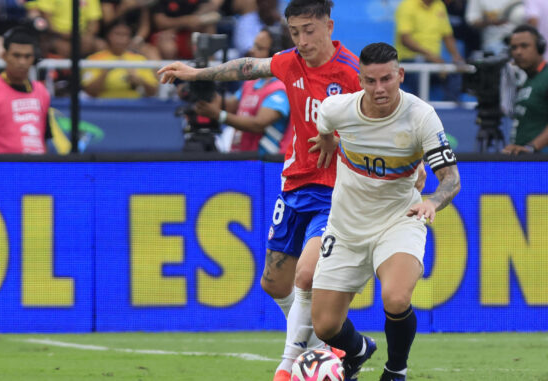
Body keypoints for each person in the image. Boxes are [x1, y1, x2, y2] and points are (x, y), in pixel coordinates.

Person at [159, 1, 362, 380]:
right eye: (295, 32)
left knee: (305, 276)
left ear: (329, 26)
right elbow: (248, 67)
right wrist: (196, 72)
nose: (302, 40)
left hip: (338, 190)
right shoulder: (290, 61)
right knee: (274, 282)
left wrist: (344, 143)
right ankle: (327, 350)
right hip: (296, 184)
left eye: (309, 30)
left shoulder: (351, 72)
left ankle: (286, 368)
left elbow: (383, 121)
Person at [309, 42, 460, 381]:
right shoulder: (337, 108)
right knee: (325, 325)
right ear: (360, 80)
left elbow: (450, 179)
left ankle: (396, 370)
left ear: (400, 76)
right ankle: (360, 349)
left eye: (387, 79)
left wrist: (432, 201)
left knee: (395, 297)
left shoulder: (421, 115)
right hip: (346, 226)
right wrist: (329, 142)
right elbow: (323, 127)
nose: (379, 89)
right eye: (370, 81)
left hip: (399, 219)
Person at [194, 26, 292, 155]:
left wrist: (219, 115)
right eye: (254, 46)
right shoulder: (251, 82)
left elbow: (258, 124)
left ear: (275, 53)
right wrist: (204, 88)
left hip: (265, 165)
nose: (252, 51)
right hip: (242, 159)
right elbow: (229, 106)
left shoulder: (281, 88)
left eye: (259, 48)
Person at [502, 24, 548, 154]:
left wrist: (531, 147)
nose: (518, 52)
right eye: (514, 48)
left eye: (524, 46)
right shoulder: (528, 80)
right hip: (531, 162)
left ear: (540, 48)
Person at [0, 26, 51, 154]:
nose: (22, 62)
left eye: (27, 56)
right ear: (4, 56)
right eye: (16, 55)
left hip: (36, 166)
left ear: (33, 58)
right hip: (2, 167)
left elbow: (44, 137)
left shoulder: (41, 91)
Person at [394, 0, 465, 101]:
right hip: (409, 60)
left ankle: (450, 109)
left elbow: (447, 35)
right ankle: (418, 107)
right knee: (420, 63)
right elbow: (405, 39)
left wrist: (456, 56)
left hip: (434, 61)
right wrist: (430, 56)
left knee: (457, 68)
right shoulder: (407, 5)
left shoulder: (439, 5)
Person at [82, 19, 158, 98]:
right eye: (117, 34)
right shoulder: (94, 59)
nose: (121, 39)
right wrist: (104, 73)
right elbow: (89, 92)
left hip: (133, 106)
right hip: (104, 106)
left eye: (125, 35)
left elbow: (153, 92)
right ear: (108, 35)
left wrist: (139, 80)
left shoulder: (139, 59)